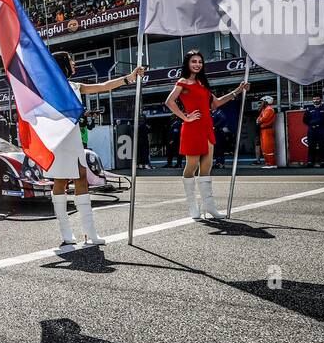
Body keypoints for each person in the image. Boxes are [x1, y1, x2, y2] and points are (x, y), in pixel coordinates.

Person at [48, 52, 147, 248]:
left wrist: (130, 77)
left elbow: (103, 86)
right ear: (63, 64)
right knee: (60, 181)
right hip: (58, 138)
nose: (74, 62)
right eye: (70, 60)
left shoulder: (76, 86)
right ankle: (66, 233)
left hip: (74, 136)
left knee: (81, 178)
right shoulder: (49, 86)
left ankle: (89, 232)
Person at [165, 50, 249, 220]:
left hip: (207, 127)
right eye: (194, 61)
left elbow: (216, 103)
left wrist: (237, 91)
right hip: (192, 127)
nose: (197, 64)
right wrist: (185, 117)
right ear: (187, 63)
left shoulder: (203, 84)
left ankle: (209, 207)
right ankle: (192, 205)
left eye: (200, 62)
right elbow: (169, 101)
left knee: (207, 166)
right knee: (192, 165)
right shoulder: (183, 82)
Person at [302, 94, 324, 167]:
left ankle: (323, 162)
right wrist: (311, 124)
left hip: (322, 129)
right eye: (314, 99)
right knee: (311, 146)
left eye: (317, 99)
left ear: (321, 99)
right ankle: (310, 162)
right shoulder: (309, 109)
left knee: (323, 146)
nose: (316, 100)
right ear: (312, 100)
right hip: (312, 130)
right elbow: (305, 120)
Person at [256, 96, 278, 168]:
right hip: (263, 130)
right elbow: (259, 118)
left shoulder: (269, 109)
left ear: (266, 101)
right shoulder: (264, 109)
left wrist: (259, 120)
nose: (261, 103)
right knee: (264, 147)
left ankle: (272, 163)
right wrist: (259, 120)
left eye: (262, 101)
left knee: (268, 147)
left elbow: (263, 119)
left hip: (267, 130)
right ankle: (268, 163)